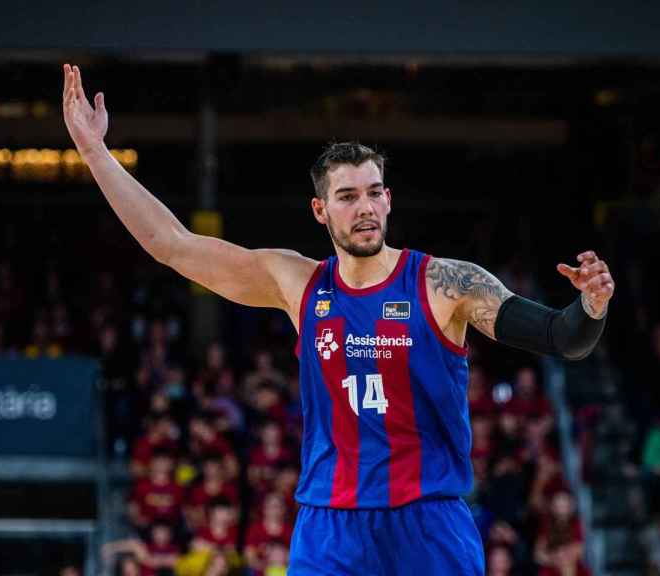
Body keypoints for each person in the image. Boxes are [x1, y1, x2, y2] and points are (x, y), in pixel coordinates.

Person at [62, 64, 613, 575]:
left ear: (390, 200)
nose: (365, 207)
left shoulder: (446, 284)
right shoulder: (298, 282)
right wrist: (95, 153)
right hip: (331, 526)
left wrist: (589, 306)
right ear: (320, 210)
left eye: (374, 193)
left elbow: (561, 338)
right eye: (348, 196)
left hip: (428, 522)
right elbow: (172, 246)